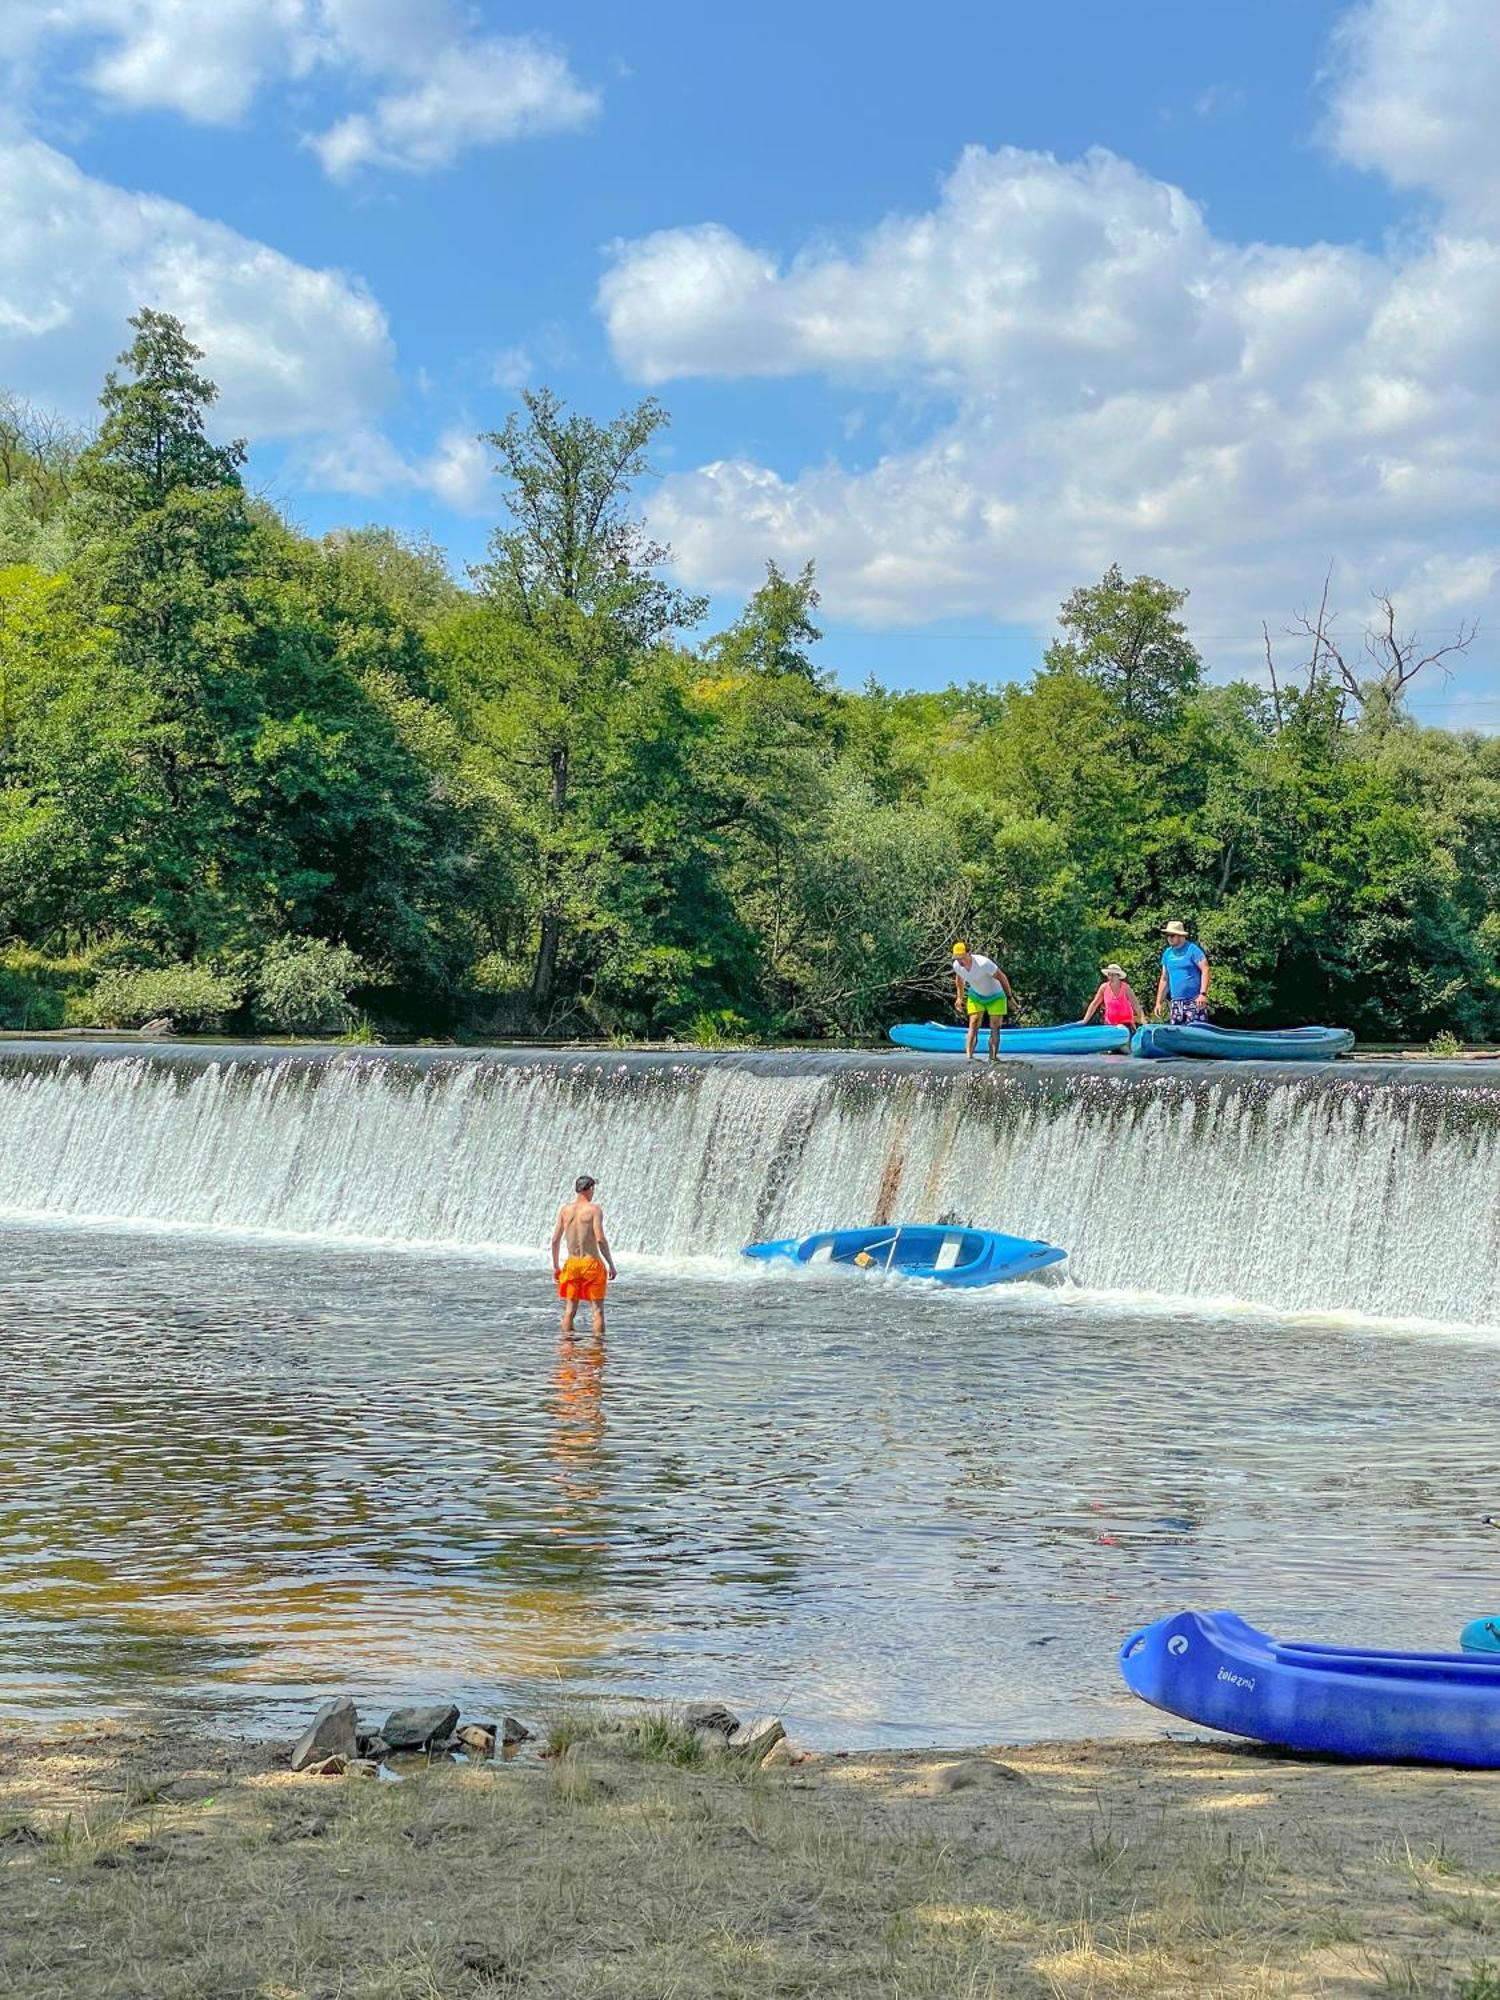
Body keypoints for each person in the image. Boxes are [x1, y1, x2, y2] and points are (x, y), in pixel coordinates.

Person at [551, 1174, 617, 1335]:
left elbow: (555, 1240)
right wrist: (611, 1264)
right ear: (590, 1189)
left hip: (572, 1264)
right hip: (591, 1264)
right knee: (597, 1312)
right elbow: (600, 1239)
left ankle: (566, 1350)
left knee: (570, 1310)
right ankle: (597, 1352)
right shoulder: (594, 1209)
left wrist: (556, 1266)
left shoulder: (565, 1210)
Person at [951, 940, 1016, 1062]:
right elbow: (959, 979)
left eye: (962, 957)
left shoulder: (983, 963)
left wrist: (1010, 998)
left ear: (969, 953)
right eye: (957, 958)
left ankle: (993, 1057)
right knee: (974, 1022)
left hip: (996, 995)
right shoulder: (957, 965)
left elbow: (1002, 978)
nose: (960, 961)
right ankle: (969, 1057)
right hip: (976, 996)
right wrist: (959, 998)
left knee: (995, 1026)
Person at [1154, 920, 1210, 1024]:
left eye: (1172, 935)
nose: (1169, 938)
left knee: (1196, 1033)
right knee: (1176, 1035)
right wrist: (1159, 1002)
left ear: (1180, 936)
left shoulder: (1193, 950)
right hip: (1176, 1003)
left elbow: (1205, 969)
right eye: (1168, 935)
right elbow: (1164, 979)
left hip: (1194, 1001)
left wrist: (1203, 994)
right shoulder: (1167, 953)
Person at [1083, 963, 1145, 1032]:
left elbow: (1136, 1006)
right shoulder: (1104, 987)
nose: (1111, 977)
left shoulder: (1126, 988)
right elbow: (1094, 1004)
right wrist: (1085, 1020)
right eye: (1109, 975)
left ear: (1118, 976)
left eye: (1113, 975)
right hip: (1110, 1025)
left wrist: (1143, 1020)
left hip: (1126, 1024)